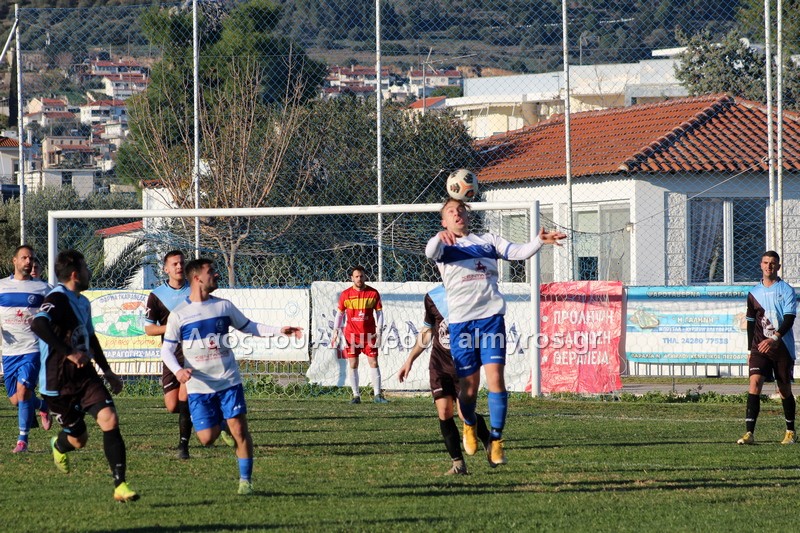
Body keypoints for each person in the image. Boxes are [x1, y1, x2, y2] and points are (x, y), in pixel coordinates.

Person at [425, 198, 566, 467]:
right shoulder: (443, 246)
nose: (457, 214)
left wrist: (539, 241)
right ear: (444, 221)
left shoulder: (488, 240)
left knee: (496, 380)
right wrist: (438, 237)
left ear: (468, 216)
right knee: (469, 390)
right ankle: (469, 422)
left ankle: (497, 440)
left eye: (461, 210)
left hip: (491, 319)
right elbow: (429, 251)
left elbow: (517, 252)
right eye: (451, 212)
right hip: (461, 325)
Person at [161, 258, 303, 495]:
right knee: (206, 439)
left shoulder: (223, 307)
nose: (216, 275)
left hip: (228, 381)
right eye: (211, 272)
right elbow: (166, 350)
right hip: (199, 386)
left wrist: (279, 330)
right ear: (197, 278)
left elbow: (249, 326)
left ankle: (245, 481)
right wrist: (178, 371)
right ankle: (223, 425)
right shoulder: (179, 314)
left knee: (240, 431)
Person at [31, 249, 138, 502]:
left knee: (109, 419)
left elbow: (91, 337)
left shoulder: (83, 302)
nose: (90, 272)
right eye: (86, 268)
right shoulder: (57, 298)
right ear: (75, 274)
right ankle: (59, 445)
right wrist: (68, 352)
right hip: (58, 382)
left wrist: (107, 371)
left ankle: (120, 485)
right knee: (79, 440)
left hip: (86, 376)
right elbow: (38, 324)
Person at [398, 284, 490, 475]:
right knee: (444, 411)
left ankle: (488, 440)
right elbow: (428, 331)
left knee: (464, 414)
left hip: (465, 365)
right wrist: (410, 360)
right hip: (439, 365)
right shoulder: (433, 296)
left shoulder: (472, 294)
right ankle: (458, 464)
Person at [737, 250, 797, 445]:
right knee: (755, 383)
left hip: (782, 347)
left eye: (772, 263)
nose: (768, 266)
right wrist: (749, 350)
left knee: (784, 389)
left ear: (778, 266)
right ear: (760, 265)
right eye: (765, 262)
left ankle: (790, 432)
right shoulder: (754, 293)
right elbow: (751, 322)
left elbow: (789, 319)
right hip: (759, 347)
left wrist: (776, 338)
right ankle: (749, 434)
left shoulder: (786, 290)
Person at [0, 245, 52, 453]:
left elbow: (53, 314)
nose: (28, 261)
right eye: (24, 258)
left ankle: (22, 441)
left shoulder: (43, 289)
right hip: (9, 351)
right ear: (14, 261)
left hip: (32, 347)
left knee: (23, 393)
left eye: (31, 258)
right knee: (16, 399)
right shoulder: (2, 286)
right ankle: (43, 406)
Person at [144, 250, 195, 460]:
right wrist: (172, 327)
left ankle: (183, 445)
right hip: (171, 354)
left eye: (182, 263)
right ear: (166, 269)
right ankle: (211, 416)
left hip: (193, 353)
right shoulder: (157, 296)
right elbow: (149, 329)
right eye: (174, 264)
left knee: (185, 397)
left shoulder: (195, 290)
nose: (179, 266)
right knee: (173, 405)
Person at [331, 266, 387, 404]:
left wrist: (379, 330)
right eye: (356, 276)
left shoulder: (373, 293)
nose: (359, 279)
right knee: (353, 363)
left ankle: (377, 395)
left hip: (369, 336)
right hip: (352, 336)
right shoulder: (345, 294)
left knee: (374, 362)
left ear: (365, 277)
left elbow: (379, 313)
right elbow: (340, 314)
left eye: (361, 276)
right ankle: (356, 396)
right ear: (352, 278)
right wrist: (336, 330)